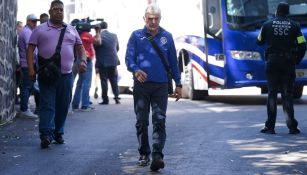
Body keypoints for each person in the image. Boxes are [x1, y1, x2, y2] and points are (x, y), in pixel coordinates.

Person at [125, 3, 182, 171]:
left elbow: (173, 63)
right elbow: (129, 59)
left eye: (156, 19)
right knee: (142, 122)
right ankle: (144, 152)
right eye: (150, 19)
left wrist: (178, 84)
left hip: (161, 86)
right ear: (144, 18)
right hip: (141, 86)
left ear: (160, 19)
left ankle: (157, 156)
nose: (153, 22)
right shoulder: (136, 36)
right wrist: (136, 70)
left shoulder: (167, 36)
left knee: (159, 120)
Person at [27, 0, 87, 149]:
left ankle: (58, 133)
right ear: (50, 12)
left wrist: (83, 62)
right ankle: (46, 135)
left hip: (66, 76)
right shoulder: (40, 29)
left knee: (63, 105)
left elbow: (80, 48)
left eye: (61, 10)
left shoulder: (71, 29)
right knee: (47, 105)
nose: (58, 12)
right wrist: (30, 69)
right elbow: (30, 49)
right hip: (46, 74)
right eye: (55, 9)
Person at [257, 2, 306, 134]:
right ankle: (292, 127)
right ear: (288, 12)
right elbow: (302, 44)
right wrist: (297, 59)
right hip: (288, 62)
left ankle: (270, 126)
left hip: (272, 62)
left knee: (272, 93)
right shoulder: (295, 26)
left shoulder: (266, 25)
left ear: (276, 12)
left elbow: (259, 41)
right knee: (287, 94)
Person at [71, 22, 101, 111]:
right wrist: (98, 31)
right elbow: (98, 42)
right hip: (86, 60)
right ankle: (85, 105)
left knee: (79, 83)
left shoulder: (76, 34)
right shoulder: (86, 35)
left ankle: (75, 104)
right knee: (86, 83)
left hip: (77, 60)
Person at [18, 14, 39, 118]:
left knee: (28, 86)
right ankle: (24, 109)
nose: (35, 23)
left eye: (36, 21)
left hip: (27, 63)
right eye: (33, 21)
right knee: (27, 86)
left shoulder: (27, 31)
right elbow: (29, 49)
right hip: (28, 63)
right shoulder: (27, 32)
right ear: (28, 21)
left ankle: (25, 107)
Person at [95, 21, 121, 105]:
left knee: (104, 80)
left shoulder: (98, 36)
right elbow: (117, 48)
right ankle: (117, 98)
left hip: (102, 62)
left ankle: (105, 100)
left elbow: (95, 47)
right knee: (113, 80)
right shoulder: (114, 35)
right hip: (113, 61)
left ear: (100, 28)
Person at [15, 21, 23, 105]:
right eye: (20, 26)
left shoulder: (20, 37)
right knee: (17, 82)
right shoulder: (16, 38)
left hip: (20, 64)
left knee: (20, 83)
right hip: (17, 65)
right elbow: (16, 52)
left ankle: (18, 98)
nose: (21, 28)